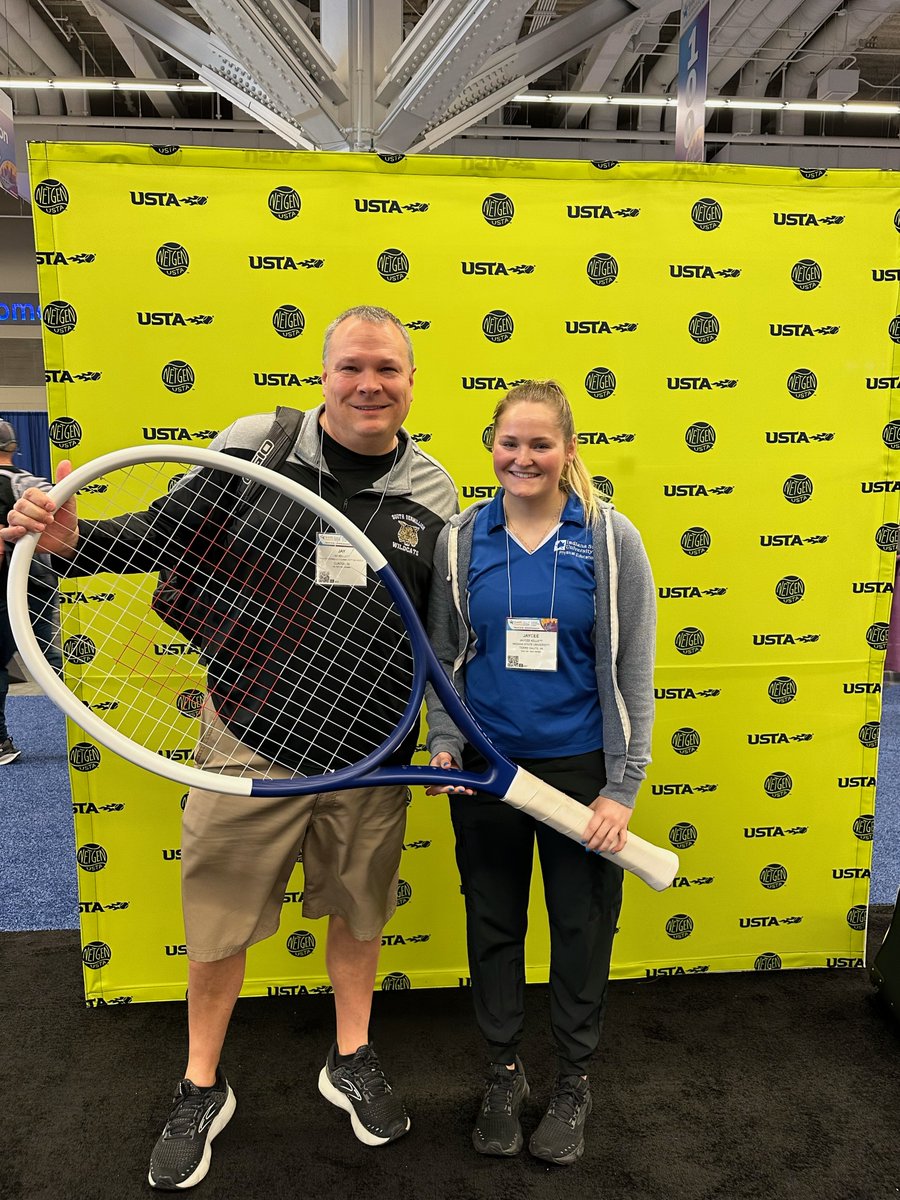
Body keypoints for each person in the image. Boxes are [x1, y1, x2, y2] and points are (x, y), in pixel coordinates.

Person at [2, 307, 459, 1189]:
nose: (371, 384)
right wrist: (75, 542)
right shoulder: (255, 446)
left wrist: (438, 737)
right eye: (353, 366)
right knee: (216, 930)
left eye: (389, 370)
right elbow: (166, 537)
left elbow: (438, 634)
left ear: (411, 381)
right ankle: (200, 1082)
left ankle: (351, 1057)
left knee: (359, 915)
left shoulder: (433, 491)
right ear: (323, 374)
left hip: (370, 755)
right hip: (249, 741)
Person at [425, 380, 655, 1166]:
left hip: (581, 769)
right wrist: (447, 743)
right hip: (488, 770)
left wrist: (620, 789)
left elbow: (632, 671)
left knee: (582, 929)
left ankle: (573, 1081)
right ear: (491, 444)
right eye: (509, 443)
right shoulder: (462, 539)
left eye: (540, 444)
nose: (523, 458)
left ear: (568, 450)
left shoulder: (609, 537)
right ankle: (502, 1073)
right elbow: (448, 659)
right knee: (493, 922)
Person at [0, 419, 64, 764]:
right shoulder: (32, 483)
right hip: (38, 584)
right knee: (51, 657)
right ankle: (97, 721)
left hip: (5, 588)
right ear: (12, 448)